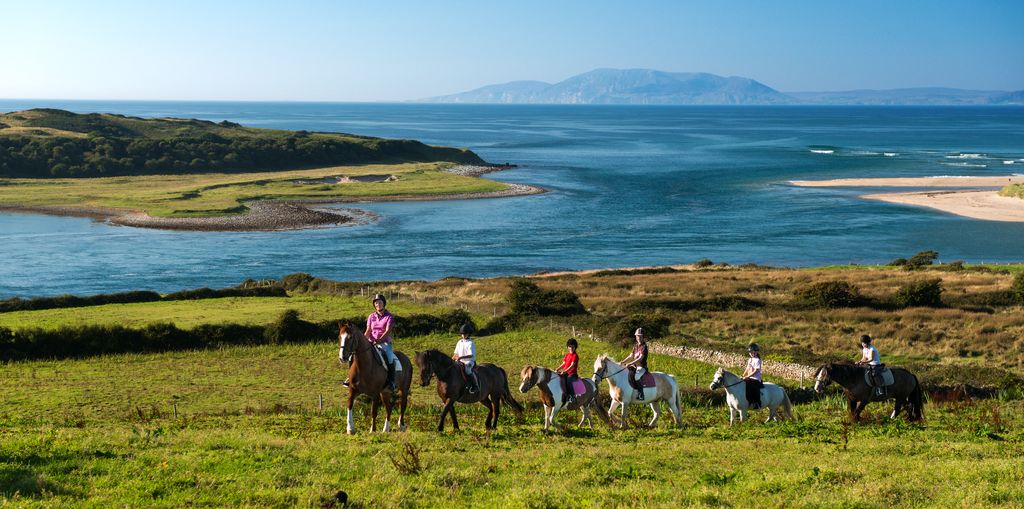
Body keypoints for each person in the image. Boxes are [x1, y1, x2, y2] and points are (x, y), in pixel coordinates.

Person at [345, 293, 397, 390]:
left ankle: (391, 381)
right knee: (353, 355)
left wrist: (378, 340)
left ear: (384, 303)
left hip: (384, 343)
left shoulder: (389, 317)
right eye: (376, 303)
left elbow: (387, 331)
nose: (378, 304)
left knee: (390, 357)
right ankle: (350, 378)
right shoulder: (371, 316)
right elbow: (368, 330)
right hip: (370, 342)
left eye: (380, 302)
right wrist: (363, 341)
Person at [620, 328, 649, 401]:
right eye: (637, 336)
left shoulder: (644, 347)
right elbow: (631, 356)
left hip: (641, 367)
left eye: (640, 336)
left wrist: (630, 363)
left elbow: (640, 358)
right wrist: (623, 362)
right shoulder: (635, 346)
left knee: (637, 377)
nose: (638, 338)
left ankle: (641, 394)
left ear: (643, 337)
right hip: (635, 367)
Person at [453, 323, 479, 394]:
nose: (463, 335)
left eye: (465, 334)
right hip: (459, 361)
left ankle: (475, 386)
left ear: (468, 334)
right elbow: (456, 353)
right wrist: (452, 359)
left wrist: (461, 357)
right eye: (462, 334)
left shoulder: (470, 343)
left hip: (469, 361)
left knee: (467, 370)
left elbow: (471, 355)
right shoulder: (459, 342)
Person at [555, 338, 580, 405]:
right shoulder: (567, 355)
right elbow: (564, 364)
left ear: (575, 347)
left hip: (572, 374)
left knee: (569, 380)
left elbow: (572, 365)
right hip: (565, 373)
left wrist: (565, 371)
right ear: (567, 347)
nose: (571, 348)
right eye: (570, 346)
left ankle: (572, 396)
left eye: (573, 347)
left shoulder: (575, 356)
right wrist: (557, 369)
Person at [740, 343, 764, 409]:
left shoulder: (757, 360)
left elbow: (755, 371)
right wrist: (743, 375)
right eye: (750, 352)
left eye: (752, 352)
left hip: (756, 378)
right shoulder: (750, 359)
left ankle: (757, 402)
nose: (751, 353)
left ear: (756, 352)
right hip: (749, 377)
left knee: (751, 386)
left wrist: (747, 376)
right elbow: (747, 369)